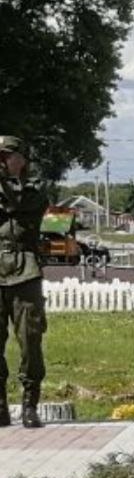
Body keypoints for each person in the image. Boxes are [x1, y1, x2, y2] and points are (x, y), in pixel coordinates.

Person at [0, 136, 50, 428]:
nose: (3, 161)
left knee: (30, 341)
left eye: (7, 156)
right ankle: (1, 407)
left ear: (22, 159)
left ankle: (30, 404)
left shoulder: (35, 187)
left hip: (25, 272)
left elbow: (18, 202)